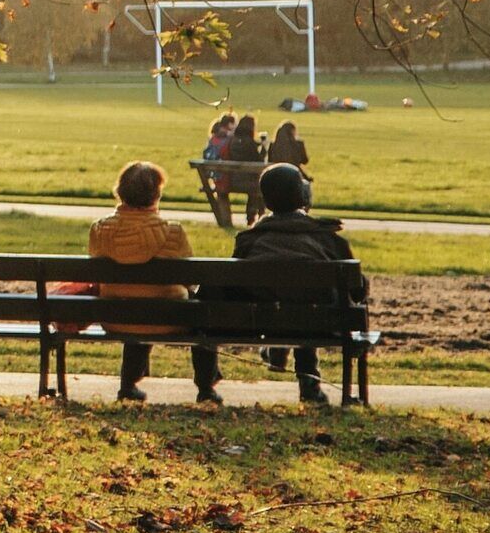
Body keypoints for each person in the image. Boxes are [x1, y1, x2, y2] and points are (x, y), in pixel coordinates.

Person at [84, 160, 220, 405]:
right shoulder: (173, 232)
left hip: (116, 317)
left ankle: (128, 384)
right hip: (169, 319)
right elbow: (190, 279)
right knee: (192, 309)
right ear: (156, 195)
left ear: (121, 191)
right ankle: (206, 387)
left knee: (134, 301)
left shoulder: (99, 231)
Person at [233, 163, 357, 406]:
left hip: (262, 322)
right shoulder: (328, 239)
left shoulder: (249, 240)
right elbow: (357, 289)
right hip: (322, 323)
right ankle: (309, 386)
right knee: (307, 306)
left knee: (291, 305)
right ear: (303, 196)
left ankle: (277, 349)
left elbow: (232, 284)